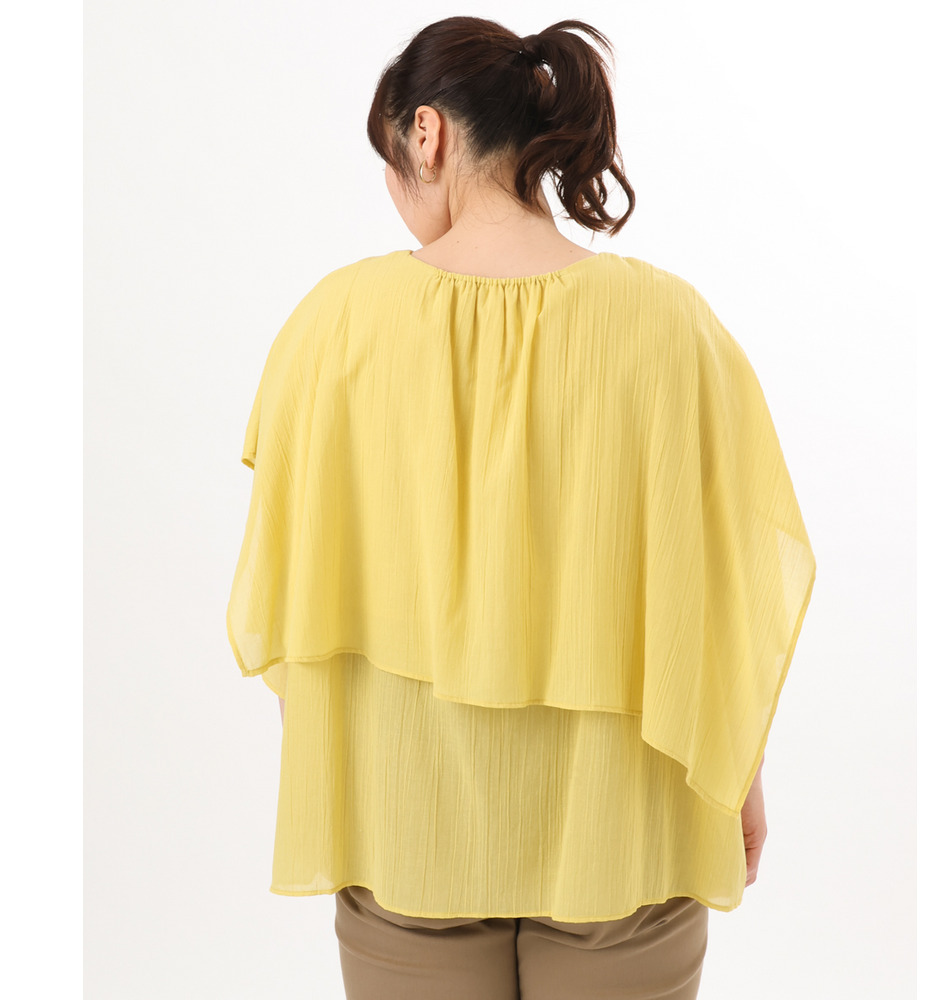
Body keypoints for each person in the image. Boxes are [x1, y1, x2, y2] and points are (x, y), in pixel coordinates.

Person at [226, 16, 816, 1000]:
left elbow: (294, 600)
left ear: (426, 133)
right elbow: (721, 579)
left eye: (388, 159)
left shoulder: (331, 325)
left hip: (407, 823)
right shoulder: (669, 325)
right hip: (624, 828)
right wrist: (738, 771)